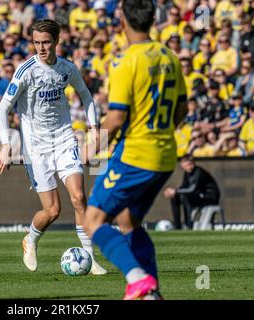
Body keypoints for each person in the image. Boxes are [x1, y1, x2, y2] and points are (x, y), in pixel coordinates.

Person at [82, 0, 187, 300]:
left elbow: (115, 118)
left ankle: (137, 279)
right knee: (129, 221)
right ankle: (153, 294)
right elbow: (182, 109)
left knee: (93, 220)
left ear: (123, 21)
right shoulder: (170, 57)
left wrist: (91, 147)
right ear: (153, 19)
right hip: (165, 155)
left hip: (135, 155)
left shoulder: (125, 62)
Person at [0, 19, 107, 275]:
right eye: (36, 43)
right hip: (36, 147)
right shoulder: (25, 71)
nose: (41, 48)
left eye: (46, 42)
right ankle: (31, 239)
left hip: (64, 138)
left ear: (56, 42)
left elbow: (86, 95)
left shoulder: (67, 68)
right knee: (53, 210)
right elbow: (3, 108)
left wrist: (94, 126)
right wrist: (5, 144)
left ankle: (89, 259)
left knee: (79, 198)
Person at [164, 155, 220, 230]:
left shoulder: (198, 172)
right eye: (186, 165)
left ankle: (189, 224)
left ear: (193, 163)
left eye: (189, 164)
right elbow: (184, 187)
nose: (188, 167)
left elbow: (192, 189)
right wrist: (173, 192)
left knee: (184, 196)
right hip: (198, 196)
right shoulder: (187, 173)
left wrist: (175, 191)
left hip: (209, 198)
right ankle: (177, 226)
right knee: (175, 197)